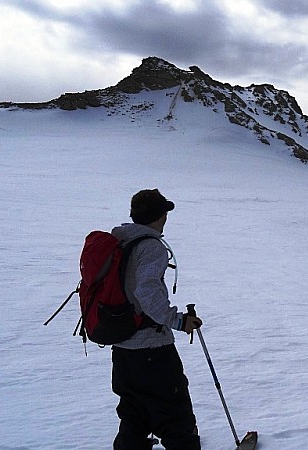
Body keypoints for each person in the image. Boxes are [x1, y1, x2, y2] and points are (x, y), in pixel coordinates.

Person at [110, 188, 203, 450]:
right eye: (164, 213)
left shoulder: (122, 241)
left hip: (123, 346)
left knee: (134, 413)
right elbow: (147, 292)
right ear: (159, 216)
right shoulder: (150, 247)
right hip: (151, 348)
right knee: (174, 414)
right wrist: (177, 321)